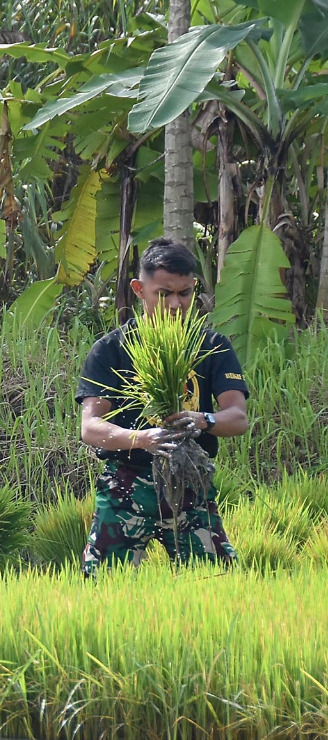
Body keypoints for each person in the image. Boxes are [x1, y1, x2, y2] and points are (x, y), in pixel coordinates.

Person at [76, 237, 250, 574]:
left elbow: (237, 417)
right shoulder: (112, 349)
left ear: (194, 289)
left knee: (219, 584)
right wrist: (142, 439)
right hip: (127, 485)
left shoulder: (212, 346)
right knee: (103, 587)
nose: (175, 304)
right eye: (163, 293)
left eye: (184, 293)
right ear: (139, 289)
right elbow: (90, 427)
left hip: (190, 482)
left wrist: (203, 419)